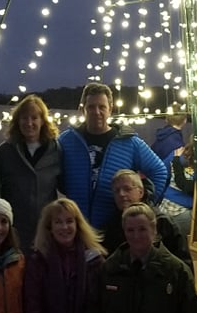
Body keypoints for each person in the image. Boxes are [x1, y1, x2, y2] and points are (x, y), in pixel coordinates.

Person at [58, 82, 169, 230]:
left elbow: (159, 171)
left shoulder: (129, 142)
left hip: (116, 229)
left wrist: (142, 205)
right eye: (91, 107)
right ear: (82, 109)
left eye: (102, 107)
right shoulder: (66, 141)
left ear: (110, 109)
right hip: (76, 228)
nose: (96, 112)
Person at [0, 94, 60, 251]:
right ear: (17, 121)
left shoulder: (56, 150)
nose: (29, 123)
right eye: (24, 118)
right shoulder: (5, 151)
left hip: (46, 231)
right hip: (13, 231)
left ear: (43, 120)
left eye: (34, 118)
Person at [103, 168, 192, 270]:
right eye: (117, 191)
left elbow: (184, 264)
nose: (121, 194)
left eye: (127, 189)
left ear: (141, 192)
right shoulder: (112, 227)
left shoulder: (162, 222)